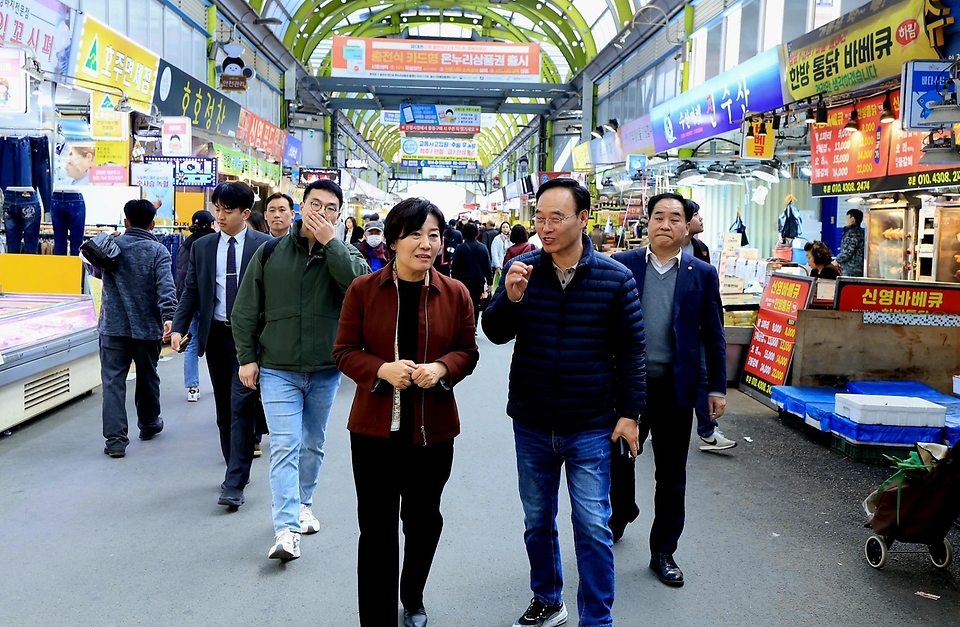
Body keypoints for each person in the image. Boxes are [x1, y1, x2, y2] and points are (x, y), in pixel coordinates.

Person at [481, 178, 646, 627]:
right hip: (532, 421)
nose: (545, 227)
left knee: (593, 527)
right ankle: (548, 599)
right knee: (537, 521)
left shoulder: (615, 278)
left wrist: (630, 415)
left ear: (583, 219)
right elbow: (494, 331)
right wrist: (510, 298)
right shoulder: (523, 268)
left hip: (591, 423)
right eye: (539, 218)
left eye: (557, 217)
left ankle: (597, 619)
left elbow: (633, 352)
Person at [334, 198, 480, 627]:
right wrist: (381, 368)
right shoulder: (363, 290)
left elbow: (467, 352)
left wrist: (441, 368)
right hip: (374, 432)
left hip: (432, 434)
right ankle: (376, 619)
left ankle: (412, 593)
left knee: (423, 522)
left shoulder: (455, 294)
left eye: (433, 235)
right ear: (394, 240)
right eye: (415, 234)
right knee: (376, 531)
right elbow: (343, 352)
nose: (425, 244)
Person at [232, 179, 369, 561]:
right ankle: (286, 528)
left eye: (329, 208)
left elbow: (361, 285)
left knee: (312, 444)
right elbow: (245, 308)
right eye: (314, 204)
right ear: (300, 208)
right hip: (278, 367)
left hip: (326, 367)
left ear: (338, 216)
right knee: (285, 446)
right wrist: (247, 357)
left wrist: (332, 243)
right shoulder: (271, 252)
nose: (320, 213)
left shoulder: (344, 254)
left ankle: (304, 502)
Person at [609, 192, 727, 588]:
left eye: (675, 218)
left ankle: (664, 550)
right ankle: (622, 511)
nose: (665, 224)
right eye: (658, 216)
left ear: (687, 225)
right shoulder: (622, 266)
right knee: (617, 461)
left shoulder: (702, 273)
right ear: (647, 223)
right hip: (628, 388)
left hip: (676, 389)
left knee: (671, 474)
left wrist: (717, 389)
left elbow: (714, 335)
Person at [171, 182, 272, 508]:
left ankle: (234, 481)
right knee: (224, 412)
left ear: (245, 213)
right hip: (216, 336)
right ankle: (234, 465)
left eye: (227, 210)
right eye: (217, 208)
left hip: (250, 340)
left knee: (241, 405)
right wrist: (179, 327)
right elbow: (192, 292)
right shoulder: (203, 247)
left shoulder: (266, 246)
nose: (220, 215)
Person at [90, 199, 177, 458]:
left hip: (112, 328)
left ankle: (115, 440)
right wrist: (169, 317)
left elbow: (93, 270)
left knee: (113, 382)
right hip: (146, 329)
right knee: (148, 376)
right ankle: (149, 423)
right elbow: (166, 288)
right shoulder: (158, 251)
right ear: (152, 224)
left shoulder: (111, 246)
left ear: (125, 222)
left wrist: (107, 239)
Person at [681, 200, 736, 453]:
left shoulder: (701, 249)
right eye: (696, 215)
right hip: (671, 330)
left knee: (703, 375)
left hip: (699, 328)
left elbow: (708, 293)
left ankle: (707, 431)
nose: (700, 219)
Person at [175, 210, 215, 403]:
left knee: (190, 345)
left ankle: (193, 387)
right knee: (216, 344)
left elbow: (181, 278)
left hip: (190, 303)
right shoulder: (214, 244)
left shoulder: (185, 245)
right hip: (211, 303)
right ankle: (219, 383)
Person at [451, 222, 492, 326]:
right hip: (478, 281)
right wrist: (490, 282)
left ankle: (463, 324)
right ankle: (473, 325)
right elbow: (487, 266)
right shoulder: (482, 248)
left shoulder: (460, 248)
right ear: (476, 233)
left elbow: (455, 267)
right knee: (475, 304)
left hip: (462, 281)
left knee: (463, 303)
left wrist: (453, 282)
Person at [835, 208, 865, 277]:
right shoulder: (860, 232)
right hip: (855, 269)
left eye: (847, 217)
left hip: (851, 269)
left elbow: (848, 251)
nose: (845, 220)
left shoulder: (852, 233)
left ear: (853, 219)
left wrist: (837, 260)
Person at [491, 221, 511, 287]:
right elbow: (494, 252)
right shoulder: (497, 239)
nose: (505, 229)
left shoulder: (510, 239)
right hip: (499, 265)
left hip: (508, 264)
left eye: (507, 227)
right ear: (501, 228)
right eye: (503, 227)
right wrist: (497, 265)